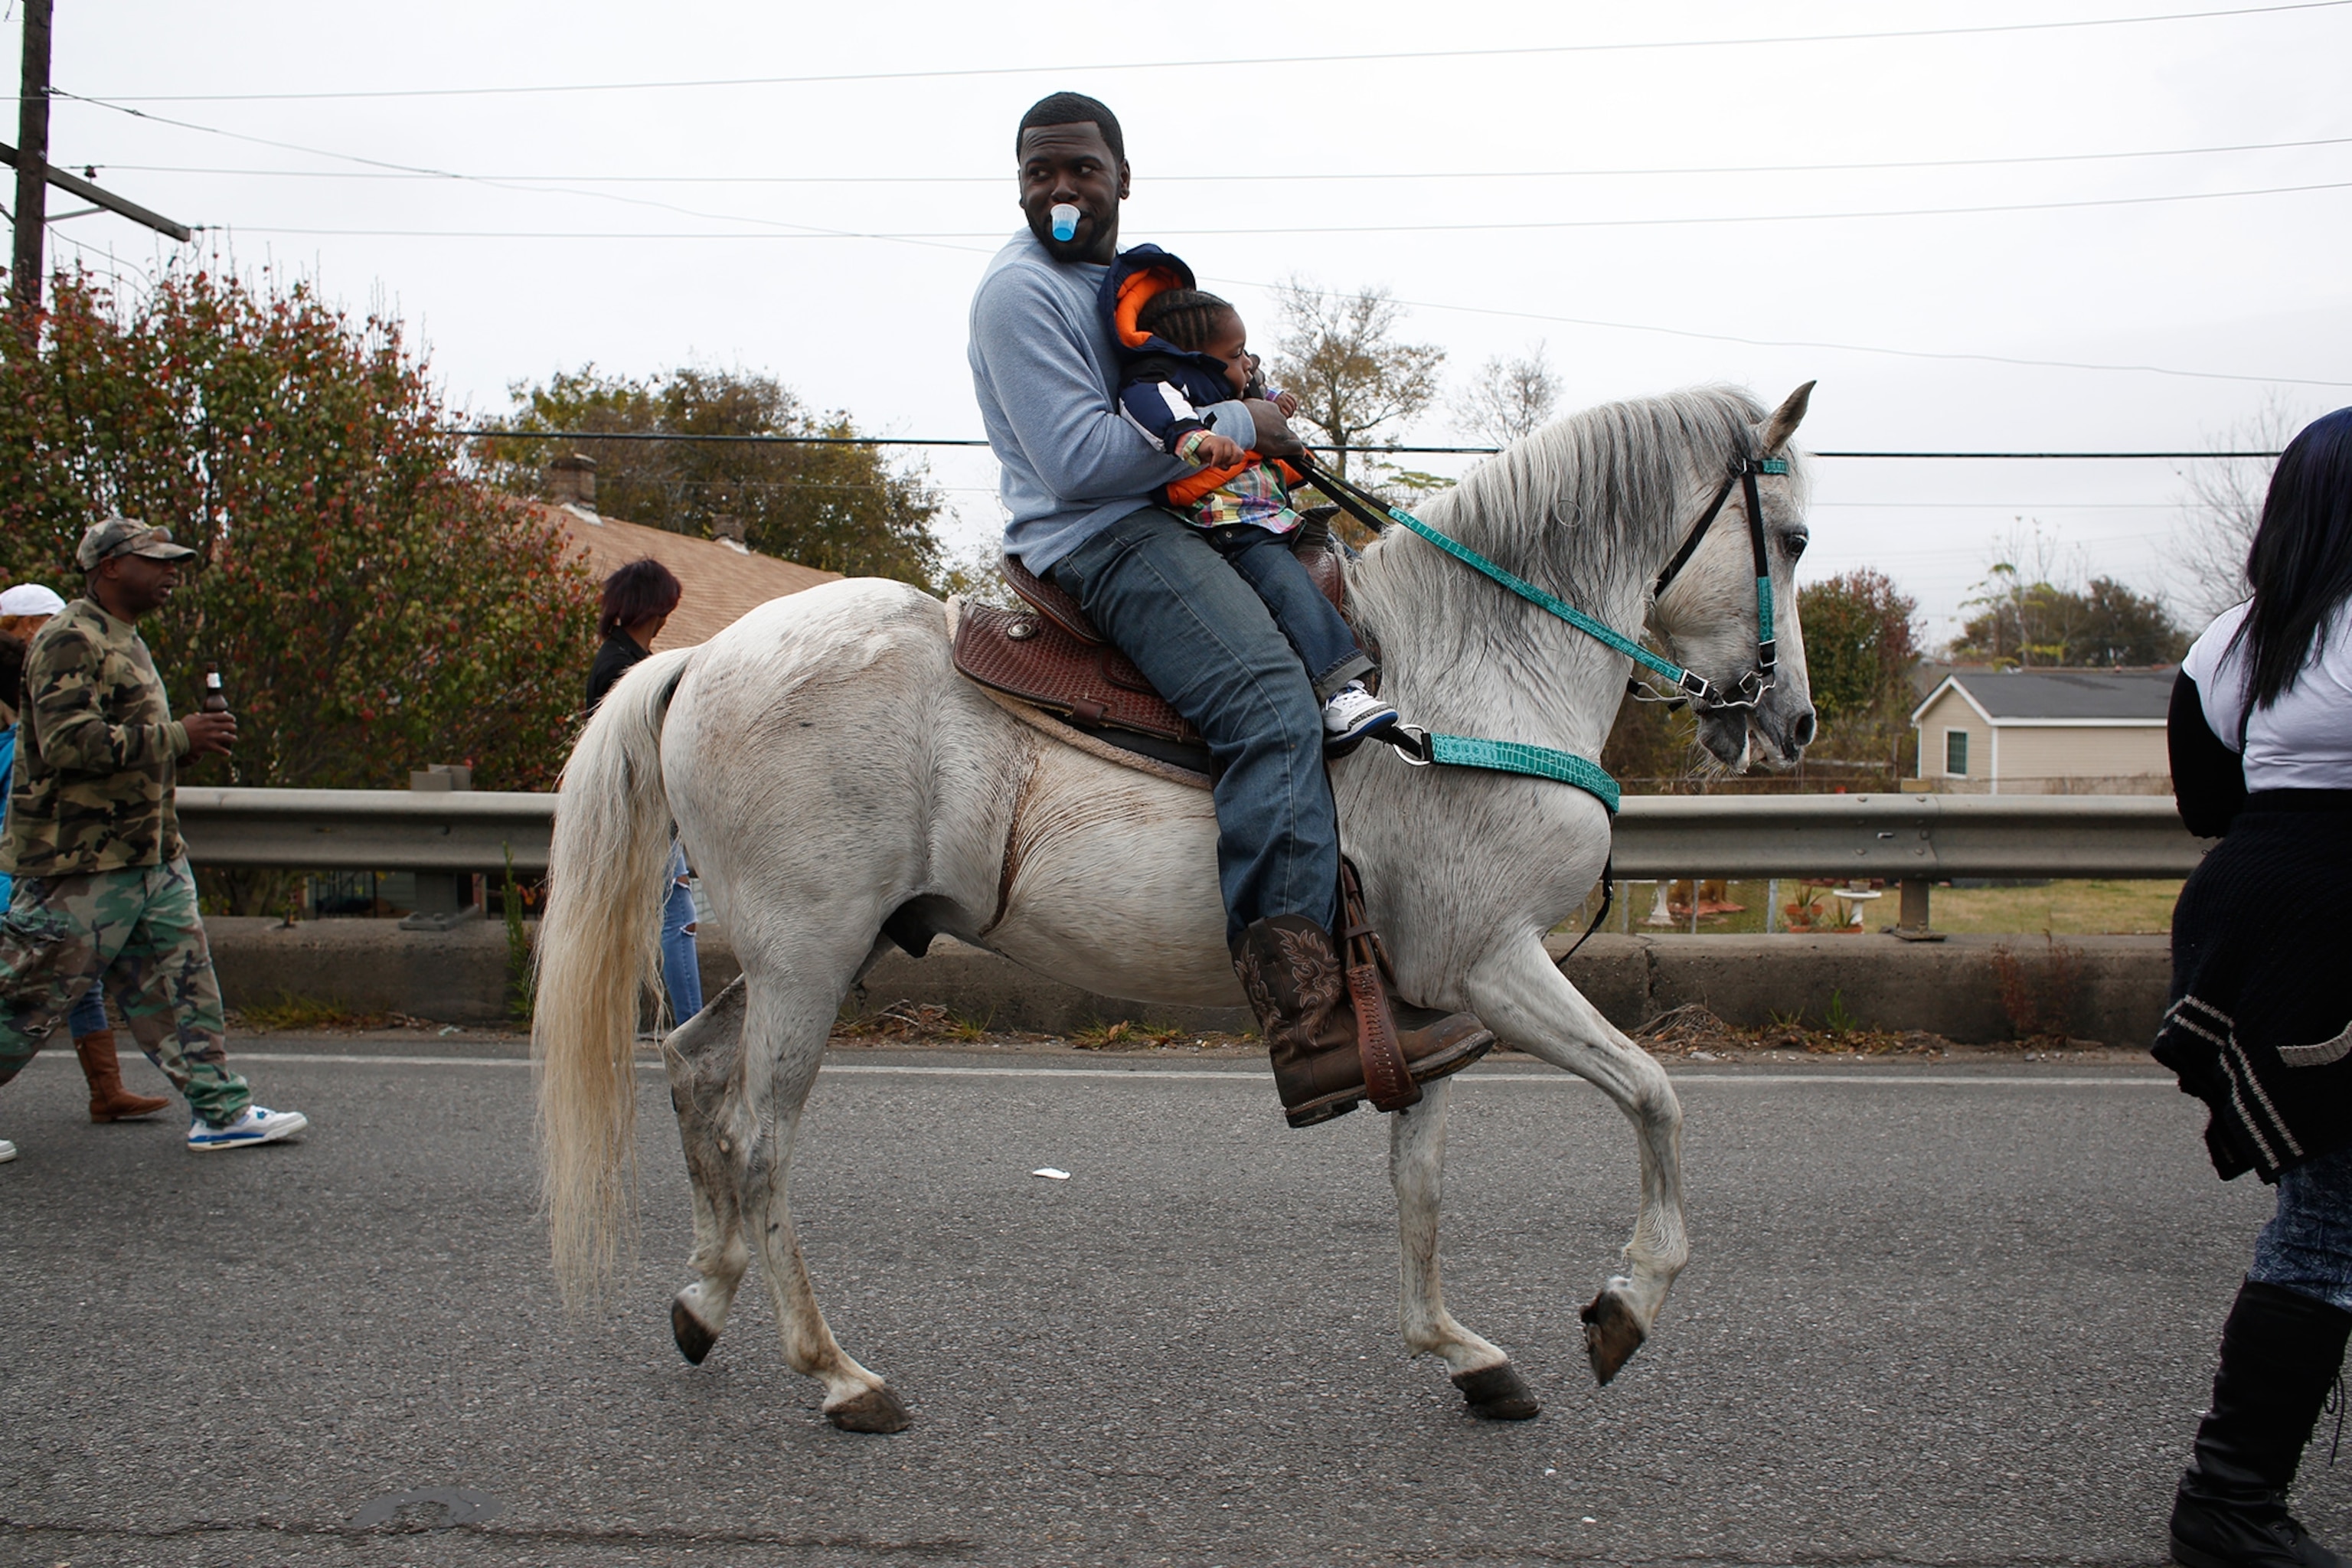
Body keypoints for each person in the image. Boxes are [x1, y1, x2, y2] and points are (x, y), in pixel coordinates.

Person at [967, 91, 1489, 1128]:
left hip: (1182, 511)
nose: (1060, 190)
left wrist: (1258, 412)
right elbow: (1076, 464)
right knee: (1265, 699)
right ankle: (1310, 1031)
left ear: (1121, 178)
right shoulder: (1019, 297)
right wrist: (1239, 422)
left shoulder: (1122, 283)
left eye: (1080, 170)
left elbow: (1179, 387)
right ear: (1020, 183)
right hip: (1103, 538)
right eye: (1040, 173)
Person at [2155, 406, 2352, 1568]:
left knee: (2328, 1209)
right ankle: (2229, 1500)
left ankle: (2232, 1494)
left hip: (2262, 928)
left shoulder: (2237, 642)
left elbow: (2209, 806)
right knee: (2330, 1222)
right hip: (2329, 925)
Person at [0, 518, 307, 1160]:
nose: (171, 572)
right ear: (109, 567)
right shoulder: (67, 638)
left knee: (183, 983)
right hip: (80, 864)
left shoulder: (126, 639)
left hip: (150, 855)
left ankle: (220, 1111)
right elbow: (66, 744)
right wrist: (176, 737)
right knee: (27, 995)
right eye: (156, 561)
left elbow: (123, 746)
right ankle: (219, 1107)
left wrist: (183, 751)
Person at [1102, 250, 1396, 746]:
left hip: (1270, 516)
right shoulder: (1159, 382)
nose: (1249, 362)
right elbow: (1158, 414)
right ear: (1196, 360)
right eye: (1237, 354)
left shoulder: (1226, 383)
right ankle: (1338, 691)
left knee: (1351, 569)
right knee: (1290, 590)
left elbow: (1253, 386)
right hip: (1230, 527)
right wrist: (1196, 440)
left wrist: (1274, 401)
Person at [0, 581, 171, 1126]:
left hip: (49, 858)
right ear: (21, 627)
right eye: (45, 621)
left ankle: (108, 1090)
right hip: (24, 863)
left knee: (80, 976)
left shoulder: (54, 679)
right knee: (26, 987)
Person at [586, 557, 702, 1027]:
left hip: (638, 813)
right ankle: (691, 1027)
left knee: (647, 922)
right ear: (656, 609)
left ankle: (611, 1018)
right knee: (679, 920)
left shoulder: (626, 661)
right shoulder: (622, 670)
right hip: (641, 815)